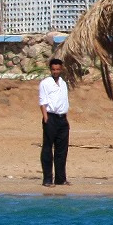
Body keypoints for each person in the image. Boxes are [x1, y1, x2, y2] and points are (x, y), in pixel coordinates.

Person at [38, 58, 71, 187]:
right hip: (51, 118)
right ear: (50, 70)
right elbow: (42, 102)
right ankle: (47, 179)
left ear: (61, 69)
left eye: (58, 69)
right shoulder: (45, 83)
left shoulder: (63, 83)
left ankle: (60, 178)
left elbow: (63, 101)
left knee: (62, 150)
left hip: (62, 119)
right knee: (47, 149)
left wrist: (65, 117)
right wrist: (46, 118)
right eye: (53, 69)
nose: (56, 72)